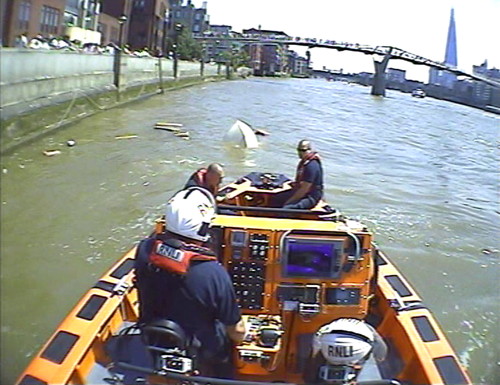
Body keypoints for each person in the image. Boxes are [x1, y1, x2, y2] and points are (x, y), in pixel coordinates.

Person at [134, 187, 245, 378]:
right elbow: (237, 331)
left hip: (155, 340)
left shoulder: (144, 250)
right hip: (200, 352)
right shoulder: (213, 272)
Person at [282, 139, 323, 209]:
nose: (300, 153)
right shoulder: (305, 163)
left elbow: (304, 189)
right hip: (303, 192)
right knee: (277, 198)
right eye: (299, 150)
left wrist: (290, 201)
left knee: (287, 208)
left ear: (309, 150)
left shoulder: (311, 166)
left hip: (311, 196)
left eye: (303, 150)